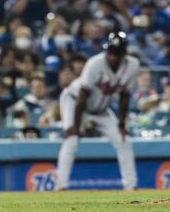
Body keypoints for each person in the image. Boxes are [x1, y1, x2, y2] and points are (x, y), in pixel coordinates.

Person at [55, 31, 140, 191]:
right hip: (75, 102)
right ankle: (61, 185)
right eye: (111, 52)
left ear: (124, 53)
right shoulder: (95, 63)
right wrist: (76, 125)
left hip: (101, 109)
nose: (113, 56)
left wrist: (122, 123)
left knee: (123, 140)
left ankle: (131, 186)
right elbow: (82, 96)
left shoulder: (133, 65)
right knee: (71, 139)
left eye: (117, 53)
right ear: (106, 50)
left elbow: (124, 97)